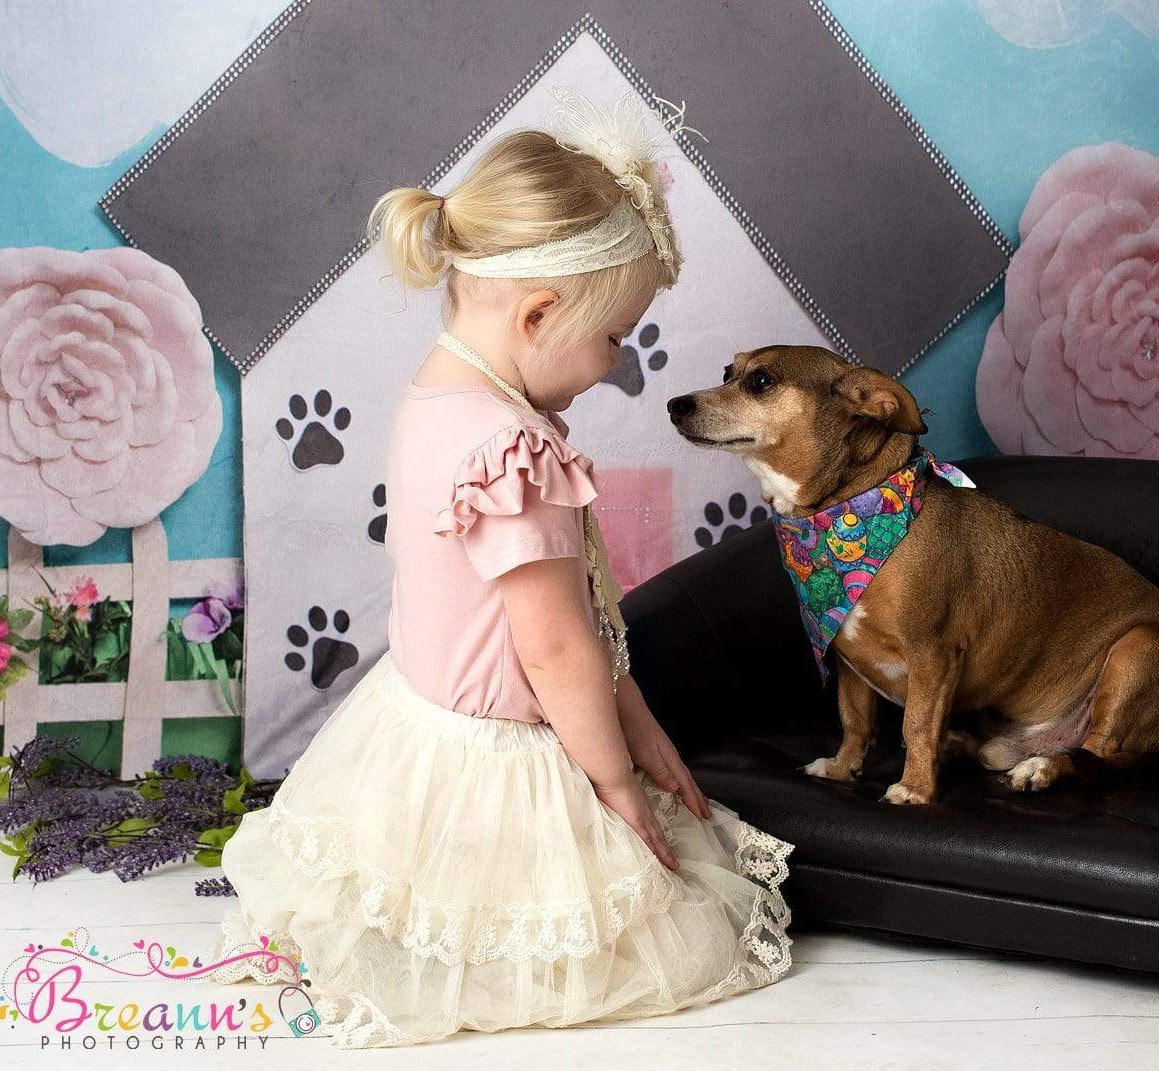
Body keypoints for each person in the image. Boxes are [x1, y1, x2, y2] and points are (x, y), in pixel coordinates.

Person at [204, 88, 795, 1049]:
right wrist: (611, 783)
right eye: (613, 339)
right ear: (538, 312)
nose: (613, 367)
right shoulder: (513, 451)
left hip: (413, 719)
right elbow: (557, 643)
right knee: (627, 915)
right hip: (492, 754)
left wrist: (636, 715)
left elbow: (583, 629)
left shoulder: (436, 399)